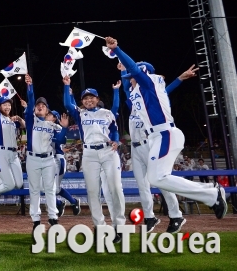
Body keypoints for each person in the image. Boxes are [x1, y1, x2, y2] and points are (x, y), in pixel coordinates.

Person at [106, 36, 227, 225]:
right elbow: (130, 83)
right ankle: (211, 195)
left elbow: (136, 70)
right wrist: (120, 63)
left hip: (165, 134)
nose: (130, 80)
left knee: (157, 177)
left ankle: (212, 193)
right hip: (156, 137)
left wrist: (117, 50)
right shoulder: (143, 91)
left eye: (132, 77)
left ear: (144, 73)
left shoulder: (148, 83)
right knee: (157, 179)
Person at [63, 75, 124, 243]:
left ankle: (119, 226)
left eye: (91, 97)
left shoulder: (107, 113)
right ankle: (100, 226)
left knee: (115, 188)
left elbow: (115, 130)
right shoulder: (80, 113)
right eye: (85, 98)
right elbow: (68, 104)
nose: (88, 100)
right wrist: (66, 87)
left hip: (107, 151)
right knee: (92, 192)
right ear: (83, 101)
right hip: (89, 153)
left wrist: (117, 140)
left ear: (97, 99)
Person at [24, 74, 69, 231]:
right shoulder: (31, 119)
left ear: (47, 108)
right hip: (33, 159)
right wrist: (30, 86)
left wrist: (63, 128)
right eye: (38, 105)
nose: (40, 106)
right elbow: (30, 101)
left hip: (49, 159)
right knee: (34, 189)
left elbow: (61, 141)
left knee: (50, 189)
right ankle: (36, 219)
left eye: (43, 105)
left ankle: (53, 217)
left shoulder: (52, 125)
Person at [0, 73, 25, 205]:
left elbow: (25, 126)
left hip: (14, 154)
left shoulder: (13, 121)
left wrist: (19, 118)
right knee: (10, 185)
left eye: (9, 104)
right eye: (4, 104)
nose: (7, 106)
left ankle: (0, 180)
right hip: (1, 153)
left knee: (19, 184)